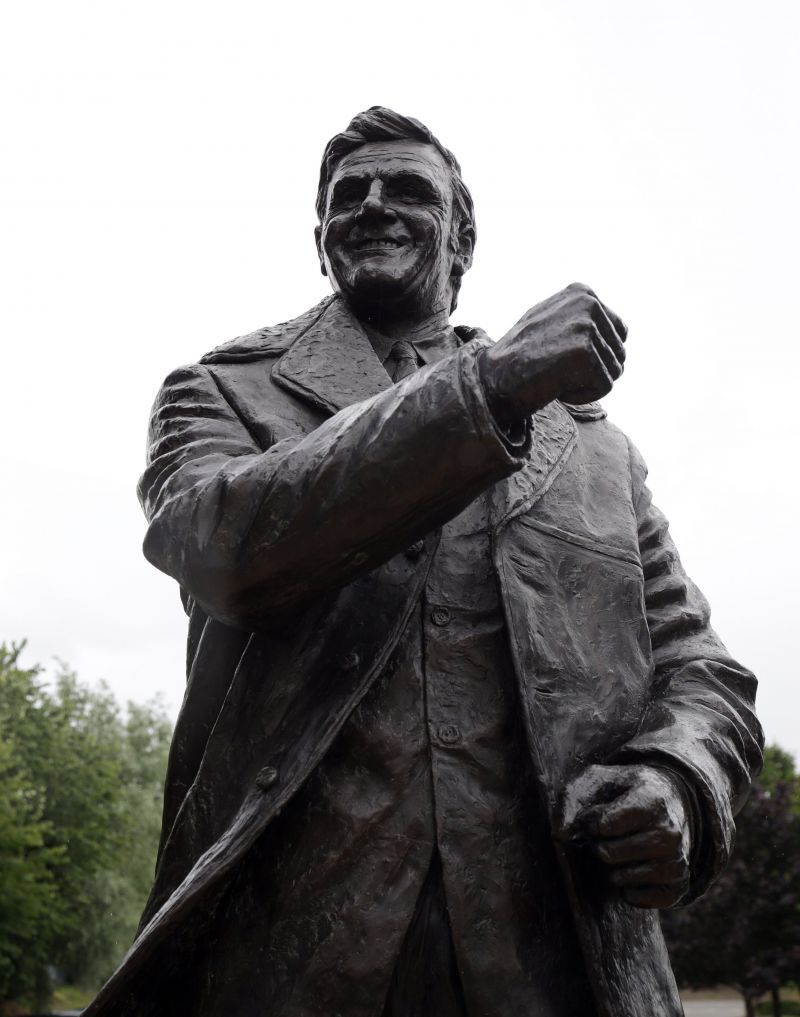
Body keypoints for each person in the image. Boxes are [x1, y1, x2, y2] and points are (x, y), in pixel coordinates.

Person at [85, 107, 763, 1017]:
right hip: (292, 958)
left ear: (463, 234)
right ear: (319, 240)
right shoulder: (220, 392)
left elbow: (700, 669)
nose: (372, 206)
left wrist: (678, 777)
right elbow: (221, 548)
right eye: (346, 195)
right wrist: (485, 389)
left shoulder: (597, 454)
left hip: (560, 960)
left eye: (408, 189)